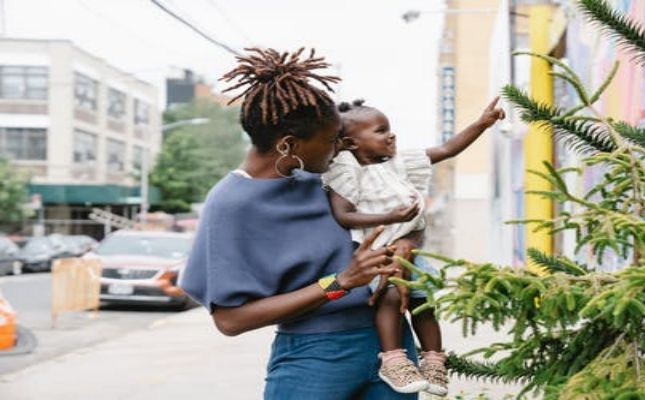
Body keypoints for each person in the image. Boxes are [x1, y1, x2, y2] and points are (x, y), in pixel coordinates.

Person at [179, 47, 421, 400]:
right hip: (316, 356)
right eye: (330, 140)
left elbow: (403, 221)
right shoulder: (231, 205)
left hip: (393, 347)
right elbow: (230, 320)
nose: (339, 149)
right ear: (288, 145)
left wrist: (405, 248)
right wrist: (340, 282)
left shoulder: (330, 181)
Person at [322, 98, 505, 396]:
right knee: (391, 297)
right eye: (380, 131)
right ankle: (393, 360)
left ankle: (433, 360)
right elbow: (344, 215)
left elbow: (447, 149)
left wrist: (482, 123)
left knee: (424, 300)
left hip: (411, 250)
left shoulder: (399, 163)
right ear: (351, 143)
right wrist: (390, 216)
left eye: (390, 129)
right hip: (377, 250)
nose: (391, 135)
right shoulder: (346, 170)